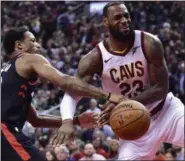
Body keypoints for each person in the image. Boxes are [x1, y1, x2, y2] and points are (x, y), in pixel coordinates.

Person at [60, 2, 184, 160]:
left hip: (165, 112)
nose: (124, 20)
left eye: (126, 15)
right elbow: (73, 92)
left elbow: (161, 88)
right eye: (117, 17)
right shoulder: (95, 58)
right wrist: (67, 120)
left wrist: (123, 103)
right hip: (132, 128)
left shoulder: (149, 43)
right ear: (105, 22)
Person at [1, 26, 122, 161]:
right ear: (19, 45)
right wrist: (109, 95)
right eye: (33, 41)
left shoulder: (8, 76)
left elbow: (36, 120)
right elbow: (66, 82)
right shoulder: (28, 59)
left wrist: (76, 121)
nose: (38, 45)